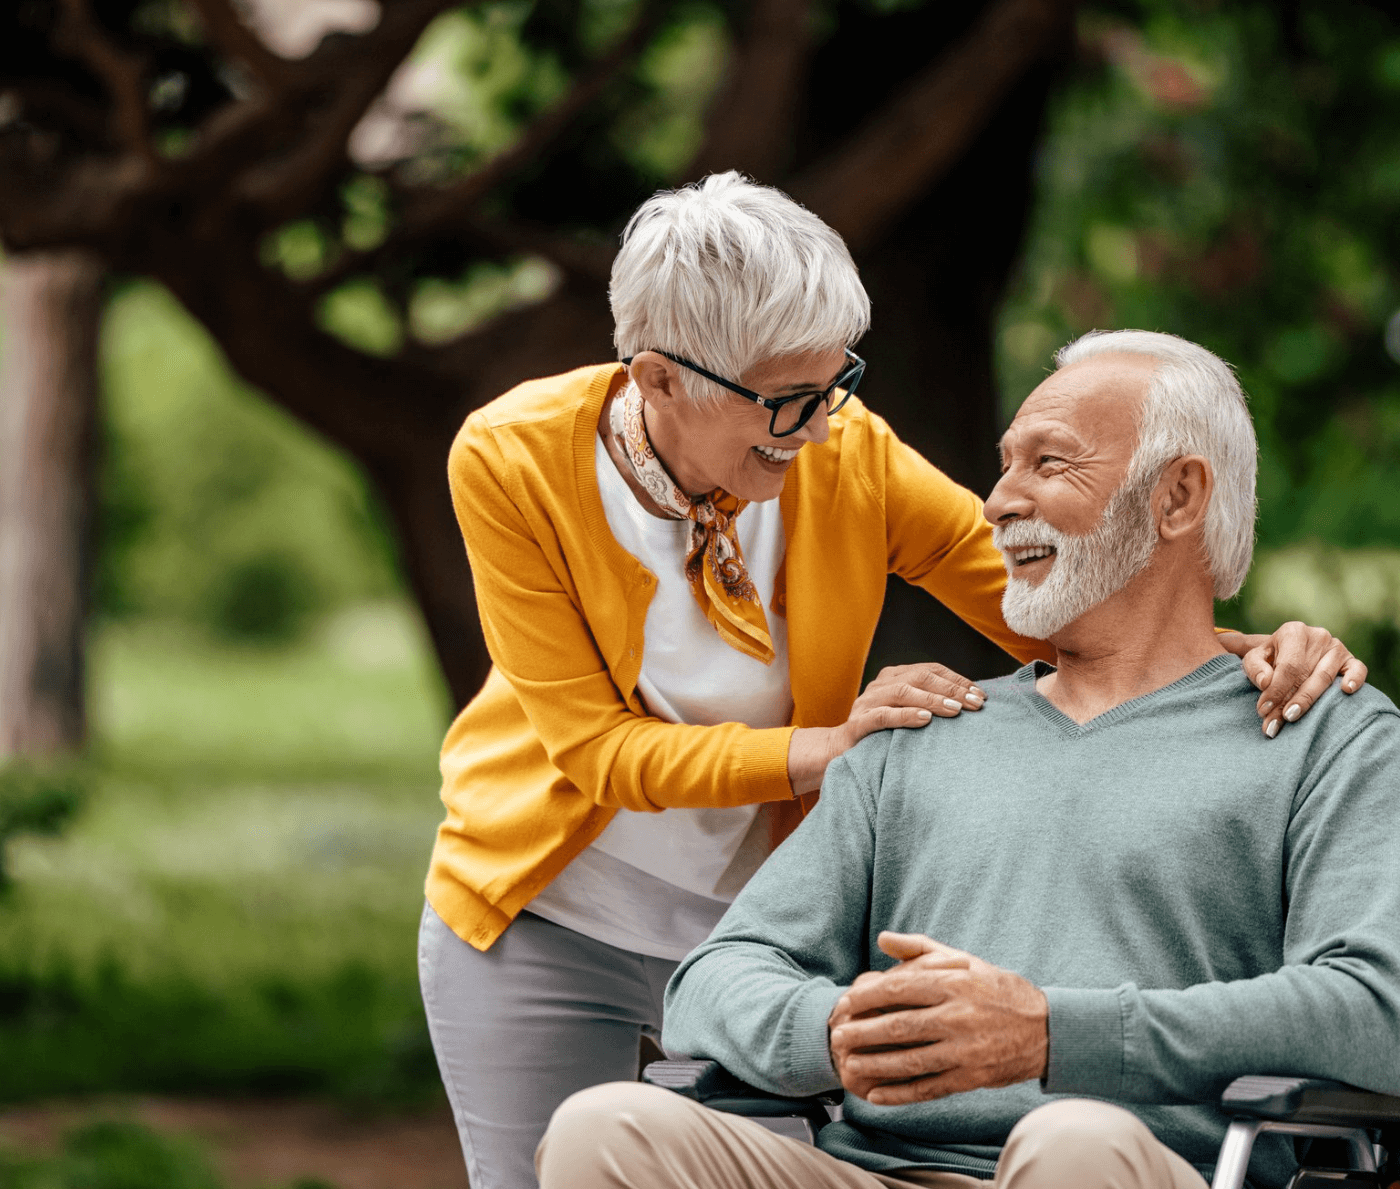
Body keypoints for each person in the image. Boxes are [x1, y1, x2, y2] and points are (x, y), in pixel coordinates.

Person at [419, 175, 1364, 1189]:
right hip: (555, 907)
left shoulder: (842, 451)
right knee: (558, 1156)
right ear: (657, 381)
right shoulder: (513, 458)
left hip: (754, 899)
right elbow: (597, 751)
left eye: (833, 386)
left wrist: (1233, 653)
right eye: (785, 399)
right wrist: (833, 751)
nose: (817, 427)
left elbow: (1041, 590)